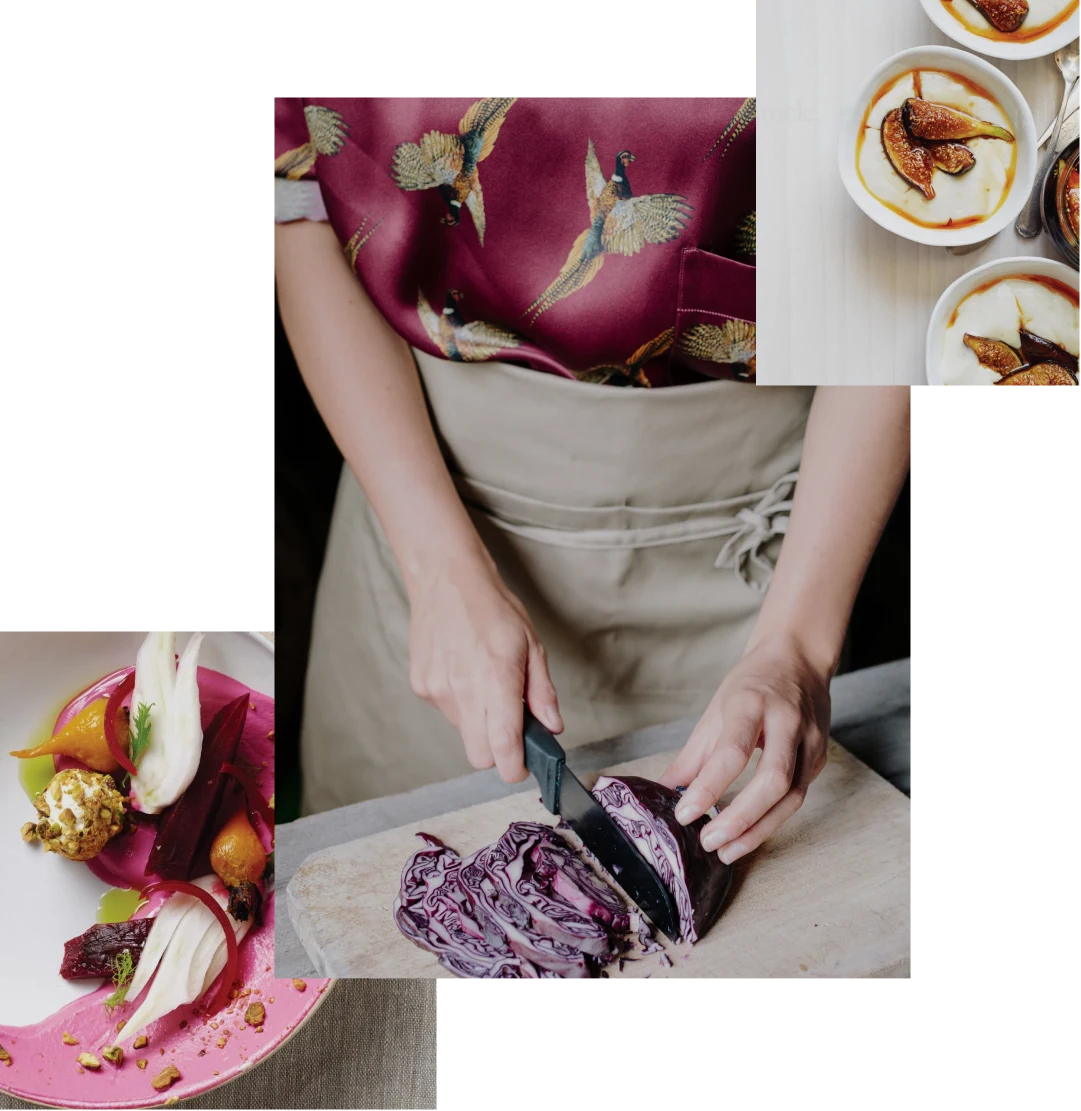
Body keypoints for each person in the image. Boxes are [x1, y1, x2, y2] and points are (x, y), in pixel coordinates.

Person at [273, 95, 909, 867]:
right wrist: (437, 568)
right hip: (423, 503)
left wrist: (798, 646)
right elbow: (297, 192)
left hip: (780, 537)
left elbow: (925, 271)